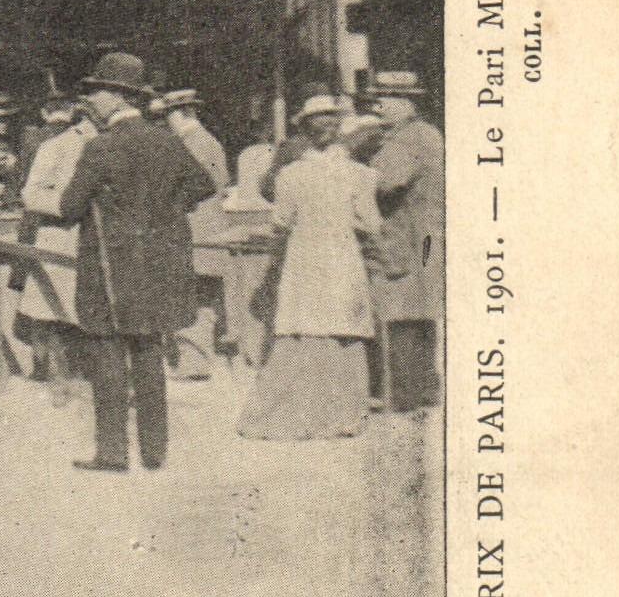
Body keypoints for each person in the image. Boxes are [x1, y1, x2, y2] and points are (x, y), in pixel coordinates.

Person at [58, 53, 217, 472]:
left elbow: (69, 208)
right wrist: (162, 216)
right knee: (149, 352)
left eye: (96, 92)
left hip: (109, 269)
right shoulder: (167, 140)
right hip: (157, 268)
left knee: (108, 356)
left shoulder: (100, 147)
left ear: (117, 97)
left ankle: (113, 453)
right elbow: (204, 184)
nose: (91, 101)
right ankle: (154, 451)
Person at [238, 95, 382, 439]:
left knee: (302, 332)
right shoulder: (361, 175)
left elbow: (281, 221)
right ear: (339, 130)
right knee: (342, 333)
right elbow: (370, 223)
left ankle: (295, 415)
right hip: (342, 259)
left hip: (304, 262)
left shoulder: (290, 175)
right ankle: (343, 416)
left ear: (304, 130)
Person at [366, 72, 444, 411]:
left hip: (406, 238)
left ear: (406, 104)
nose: (377, 107)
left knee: (401, 314)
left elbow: (384, 182)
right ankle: (425, 391)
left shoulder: (405, 140)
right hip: (426, 236)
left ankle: (404, 397)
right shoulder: (427, 133)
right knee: (422, 314)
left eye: (384, 100)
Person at [17, 97, 98, 406]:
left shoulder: (119, 143)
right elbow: (30, 193)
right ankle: (56, 379)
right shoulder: (57, 146)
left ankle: (91, 379)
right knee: (51, 309)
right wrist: (67, 206)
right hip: (62, 236)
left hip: (103, 242)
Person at [161, 88, 230, 381]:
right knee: (200, 297)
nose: (166, 122)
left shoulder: (192, 143)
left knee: (192, 298)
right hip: (208, 229)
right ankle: (195, 359)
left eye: (168, 115)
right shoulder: (208, 141)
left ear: (183, 113)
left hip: (194, 229)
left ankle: (192, 362)